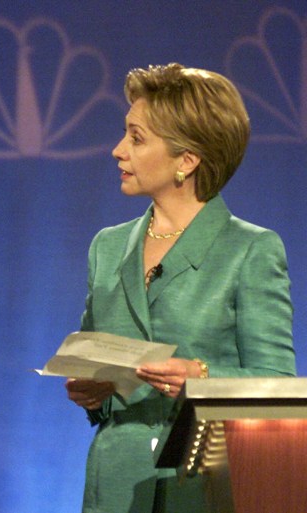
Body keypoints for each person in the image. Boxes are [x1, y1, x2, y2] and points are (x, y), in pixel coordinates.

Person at [64, 63, 295, 512]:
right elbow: (95, 363)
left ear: (186, 161)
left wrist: (201, 378)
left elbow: (278, 387)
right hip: (116, 488)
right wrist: (92, 394)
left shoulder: (251, 249)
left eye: (136, 138)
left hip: (205, 485)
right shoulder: (107, 247)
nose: (117, 150)